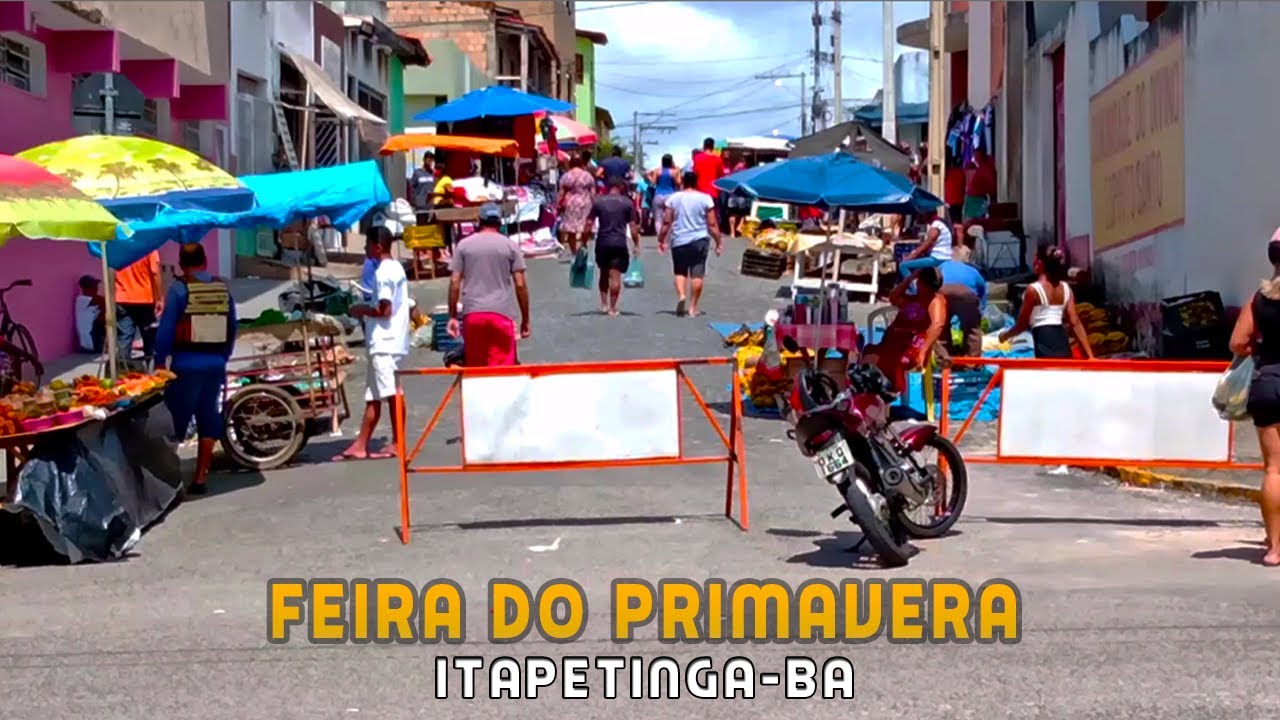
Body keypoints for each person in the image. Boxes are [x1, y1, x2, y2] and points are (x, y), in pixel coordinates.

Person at [155, 243, 238, 495]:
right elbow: (232, 327)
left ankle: (168, 480)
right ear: (205, 261)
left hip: (186, 365)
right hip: (214, 364)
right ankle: (200, 477)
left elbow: (166, 329)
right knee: (208, 415)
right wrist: (222, 357)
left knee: (176, 419)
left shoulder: (180, 289)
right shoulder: (222, 288)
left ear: (181, 264)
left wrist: (160, 361)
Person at [337, 228, 411, 462]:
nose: (365, 248)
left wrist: (361, 310)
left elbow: (384, 310)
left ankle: (399, 442)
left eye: (368, 243)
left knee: (392, 393)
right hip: (385, 342)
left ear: (378, 246)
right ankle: (361, 444)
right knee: (375, 394)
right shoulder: (395, 267)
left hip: (385, 342)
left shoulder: (384, 273)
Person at [1228, 234, 1280, 565]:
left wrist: (1261, 350)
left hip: (1269, 382)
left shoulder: (1259, 298)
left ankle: (1275, 548)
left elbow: (1236, 342)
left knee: (1274, 469)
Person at [447, 203, 531, 366]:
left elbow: (455, 281)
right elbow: (520, 285)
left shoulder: (464, 245)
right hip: (502, 314)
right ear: (500, 222)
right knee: (504, 371)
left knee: (477, 370)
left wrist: (452, 316)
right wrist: (525, 319)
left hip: (473, 315)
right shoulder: (510, 246)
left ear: (479, 220)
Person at [998, 244, 1094, 359]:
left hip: (1044, 342)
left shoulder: (1033, 290)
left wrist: (1005, 336)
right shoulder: (1065, 288)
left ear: (1040, 263)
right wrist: (1091, 356)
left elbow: (1022, 325)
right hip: (1062, 343)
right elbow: (1075, 322)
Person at [862, 267, 949, 393]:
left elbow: (937, 325)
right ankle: (875, 395)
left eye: (919, 282)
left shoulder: (936, 301)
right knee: (868, 357)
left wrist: (922, 352)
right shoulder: (913, 299)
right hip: (891, 345)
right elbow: (893, 298)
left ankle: (886, 393)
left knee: (874, 362)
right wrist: (909, 279)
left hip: (910, 349)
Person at [657, 170, 723, 317]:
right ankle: (693, 308)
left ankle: (681, 295)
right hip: (699, 239)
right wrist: (718, 241)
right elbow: (712, 223)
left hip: (679, 239)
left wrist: (661, 239)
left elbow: (667, 222)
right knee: (697, 273)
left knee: (680, 271)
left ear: (683, 182)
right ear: (696, 182)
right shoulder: (705, 199)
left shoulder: (674, 198)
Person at [589, 178, 642, 316]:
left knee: (603, 273)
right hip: (619, 242)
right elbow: (633, 227)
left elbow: (588, 223)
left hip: (602, 241)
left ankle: (604, 304)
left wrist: (583, 241)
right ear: (620, 186)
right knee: (615, 275)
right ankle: (613, 308)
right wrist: (636, 244)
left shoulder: (598, 201)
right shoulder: (627, 203)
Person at [115, 251, 162, 370]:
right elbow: (155, 272)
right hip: (145, 300)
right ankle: (151, 375)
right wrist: (160, 298)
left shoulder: (120, 246)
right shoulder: (150, 247)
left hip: (122, 299)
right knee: (150, 342)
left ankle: (122, 377)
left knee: (124, 341)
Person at [937, 249, 987, 358]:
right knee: (972, 329)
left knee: (942, 327)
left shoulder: (943, 266)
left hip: (943, 291)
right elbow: (982, 289)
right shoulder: (972, 270)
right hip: (966, 293)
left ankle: (944, 358)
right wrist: (981, 310)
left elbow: (935, 280)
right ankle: (972, 361)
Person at [557, 152, 596, 257]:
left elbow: (561, 192)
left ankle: (574, 252)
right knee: (585, 226)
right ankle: (583, 245)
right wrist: (595, 205)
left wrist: (557, 204)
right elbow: (592, 192)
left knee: (571, 229)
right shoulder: (587, 175)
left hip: (571, 203)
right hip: (585, 203)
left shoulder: (566, 176)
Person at [899, 206, 953, 279]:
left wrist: (909, 258)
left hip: (938, 258)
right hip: (941, 256)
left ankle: (913, 289)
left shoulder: (936, 226)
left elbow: (924, 247)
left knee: (903, 265)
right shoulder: (939, 224)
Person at [649, 154, 680, 239]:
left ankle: (660, 237)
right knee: (670, 218)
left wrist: (650, 177)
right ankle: (668, 238)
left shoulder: (657, 171)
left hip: (658, 195)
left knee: (658, 219)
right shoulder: (674, 172)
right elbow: (678, 183)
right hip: (670, 196)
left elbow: (653, 183)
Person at [75, 274, 105, 354]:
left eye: (96, 286)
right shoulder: (82, 299)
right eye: (93, 286)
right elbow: (103, 301)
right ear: (84, 288)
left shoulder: (94, 299)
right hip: (89, 342)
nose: (96, 288)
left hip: (94, 335)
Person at [963, 149, 996, 222]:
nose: (975, 159)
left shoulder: (986, 167)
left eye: (976, 156)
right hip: (975, 197)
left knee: (975, 221)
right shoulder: (982, 167)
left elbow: (991, 184)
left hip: (978, 198)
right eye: (974, 157)